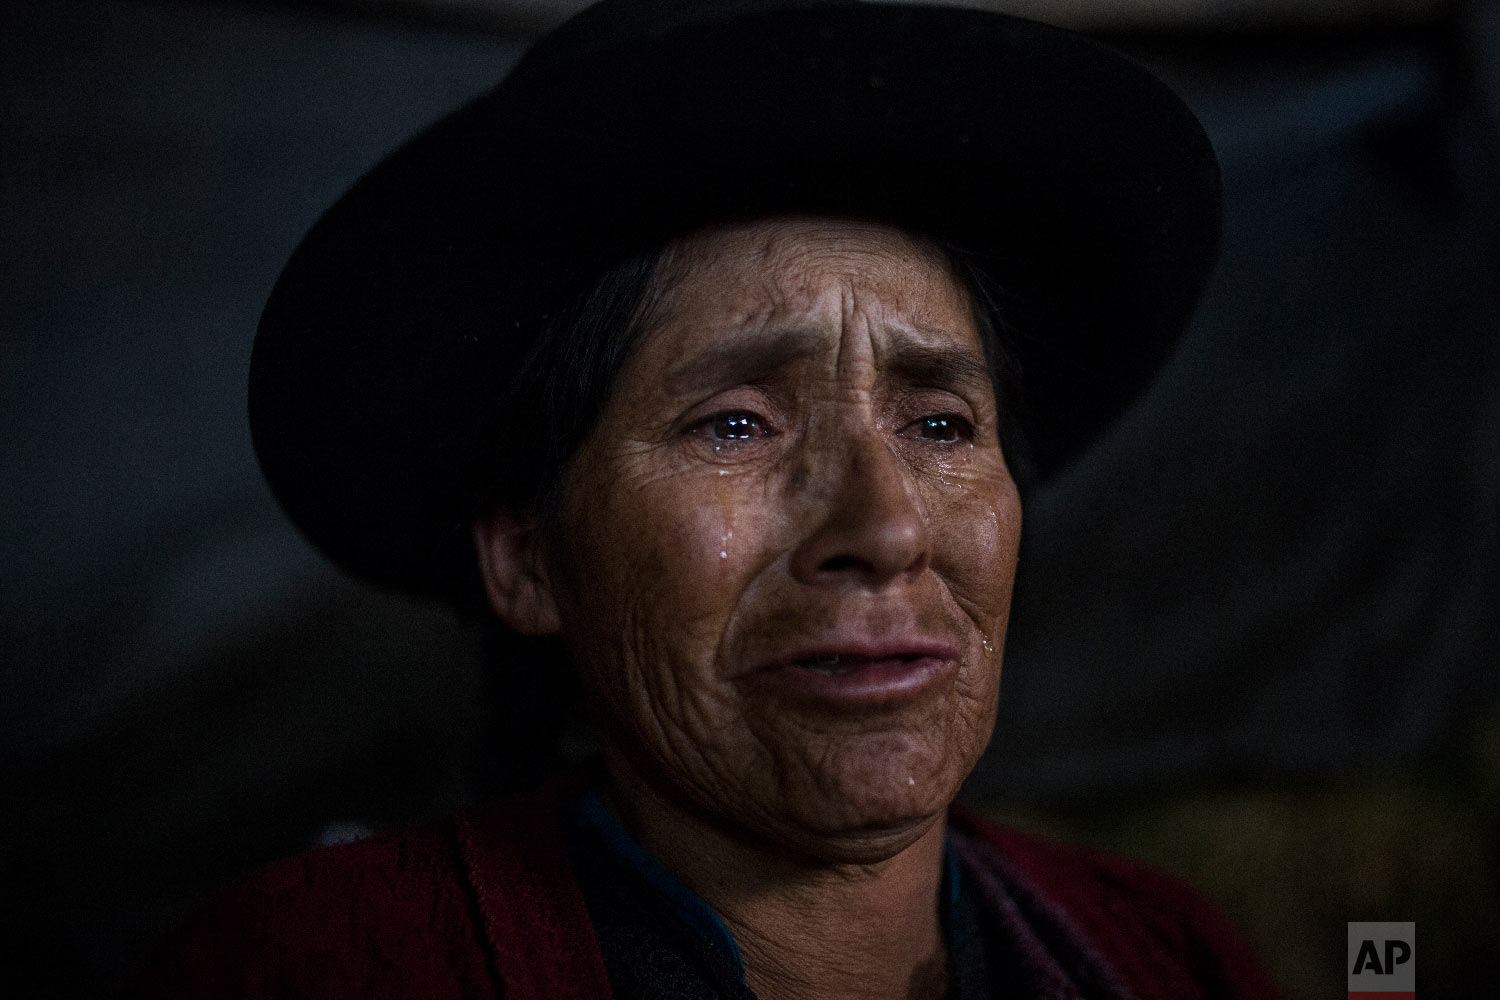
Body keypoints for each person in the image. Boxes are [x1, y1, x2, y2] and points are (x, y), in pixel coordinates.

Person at [139, 1, 1280, 997]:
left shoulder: (1167, 952)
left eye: (940, 425)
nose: (885, 530)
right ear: (528, 559)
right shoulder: (316, 966)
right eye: (734, 424)